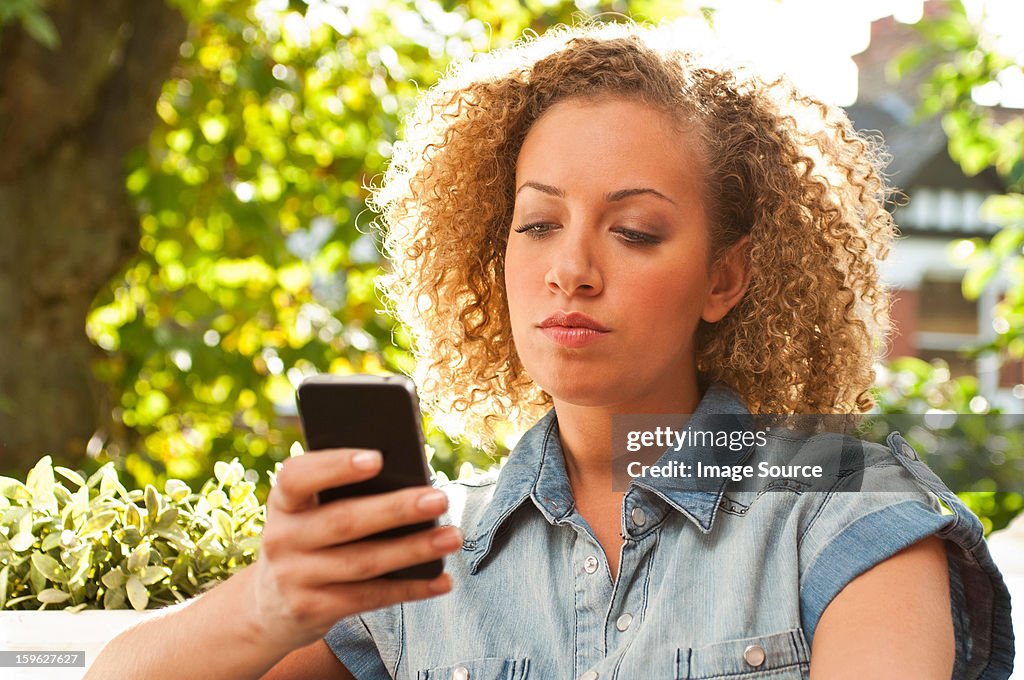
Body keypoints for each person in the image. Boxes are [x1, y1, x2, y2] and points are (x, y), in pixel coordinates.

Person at [86, 20, 1014, 680]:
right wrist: (270, 604)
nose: (570, 270)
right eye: (537, 223)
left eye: (636, 232)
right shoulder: (424, 553)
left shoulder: (848, 512)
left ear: (723, 279)